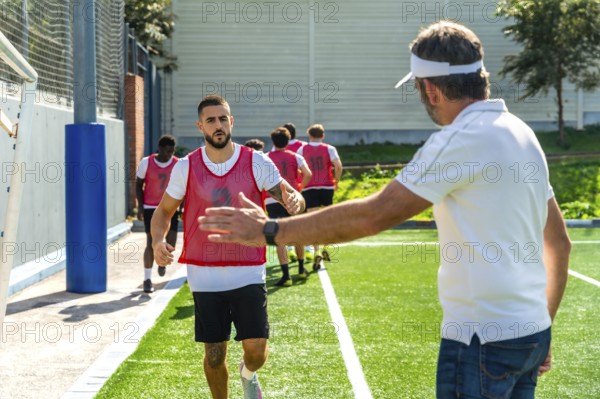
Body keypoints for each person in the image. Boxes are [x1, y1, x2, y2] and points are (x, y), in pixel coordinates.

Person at [199, 21, 571, 399]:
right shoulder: (521, 132)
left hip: (480, 341)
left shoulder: (460, 139)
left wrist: (269, 230)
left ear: (429, 87)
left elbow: (373, 214)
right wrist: (542, 324)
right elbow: (559, 243)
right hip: (531, 333)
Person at [151, 94, 305, 399]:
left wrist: (295, 202)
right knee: (214, 355)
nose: (218, 125)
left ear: (231, 121)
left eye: (223, 118)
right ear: (201, 126)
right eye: (211, 120)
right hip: (203, 272)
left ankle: (247, 375)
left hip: (248, 267)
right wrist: (158, 240)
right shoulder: (186, 167)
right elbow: (163, 212)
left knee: (257, 351)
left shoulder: (256, 161)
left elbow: (291, 197)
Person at [266, 126, 312, 286]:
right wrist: (299, 188)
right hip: (292, 198)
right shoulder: (295, 156)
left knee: (280, 239)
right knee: (297, 233)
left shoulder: (266, 157)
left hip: (272, 200)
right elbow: (308, 173)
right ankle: (300, 269)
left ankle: (286, 276)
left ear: (272, 141)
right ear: (288, 140)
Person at [135, 134, 179, 293]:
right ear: (160, 149)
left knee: (171, 243)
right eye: (167, 151)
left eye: (172, 151)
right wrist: (140, 207)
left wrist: (183, 207)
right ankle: (147, 279)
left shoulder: (177, 164)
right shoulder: (146, 162)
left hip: (171, 206)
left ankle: (162, 263)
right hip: (151, 207)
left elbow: (184, 187)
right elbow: (138, 185)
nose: (170, 154)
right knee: (151, 242)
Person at [297, 123, 343, 270]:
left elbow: (298, 167)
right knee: (327, 219)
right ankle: (326, 248)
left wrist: (301, 180)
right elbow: (339, 165)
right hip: (326, 186)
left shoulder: (302, 148)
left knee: (313, 221)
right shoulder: (329, 148)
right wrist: (336, 180)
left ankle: (316, 251)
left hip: (310, 187)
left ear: (309, 136)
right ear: (322, 136)